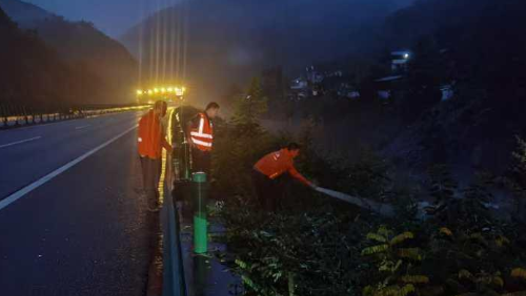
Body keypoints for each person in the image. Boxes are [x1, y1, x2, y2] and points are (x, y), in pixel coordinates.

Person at [252, 143, 317, 211]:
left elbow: (294, 173)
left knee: (267, 193)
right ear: (292, 150)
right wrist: (309, 183)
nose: (297, 154)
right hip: (260, 173)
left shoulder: (284, 153)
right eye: (297, 152)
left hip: (259, 171)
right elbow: (295, 174)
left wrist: (308, 183)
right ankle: (268, 212)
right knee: (266, 194)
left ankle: (268, 210)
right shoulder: (286, 159)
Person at [137, 100, 173, 211]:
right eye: (164, 109)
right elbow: (145, 139)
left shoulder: (157, 120)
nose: (165, 112)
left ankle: (156, 200)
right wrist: (152, 154)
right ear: (159, 108)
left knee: (156, 178)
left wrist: (170, 149)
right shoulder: (147, 119)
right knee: (149, 180)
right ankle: (151, 204)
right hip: (149, 156)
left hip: (155, 154)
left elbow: (160, 138)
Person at [186, 102, 220, 176]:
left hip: (205, 151)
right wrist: (189, 138)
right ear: (211, 109)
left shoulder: (209, 120)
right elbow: (189, 123)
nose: (216, 114)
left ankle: (203, 185)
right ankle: (198, 186)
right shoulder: (200, 117)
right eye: (216, 111)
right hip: (198, 150)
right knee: (199, 172)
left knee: (205, 172)